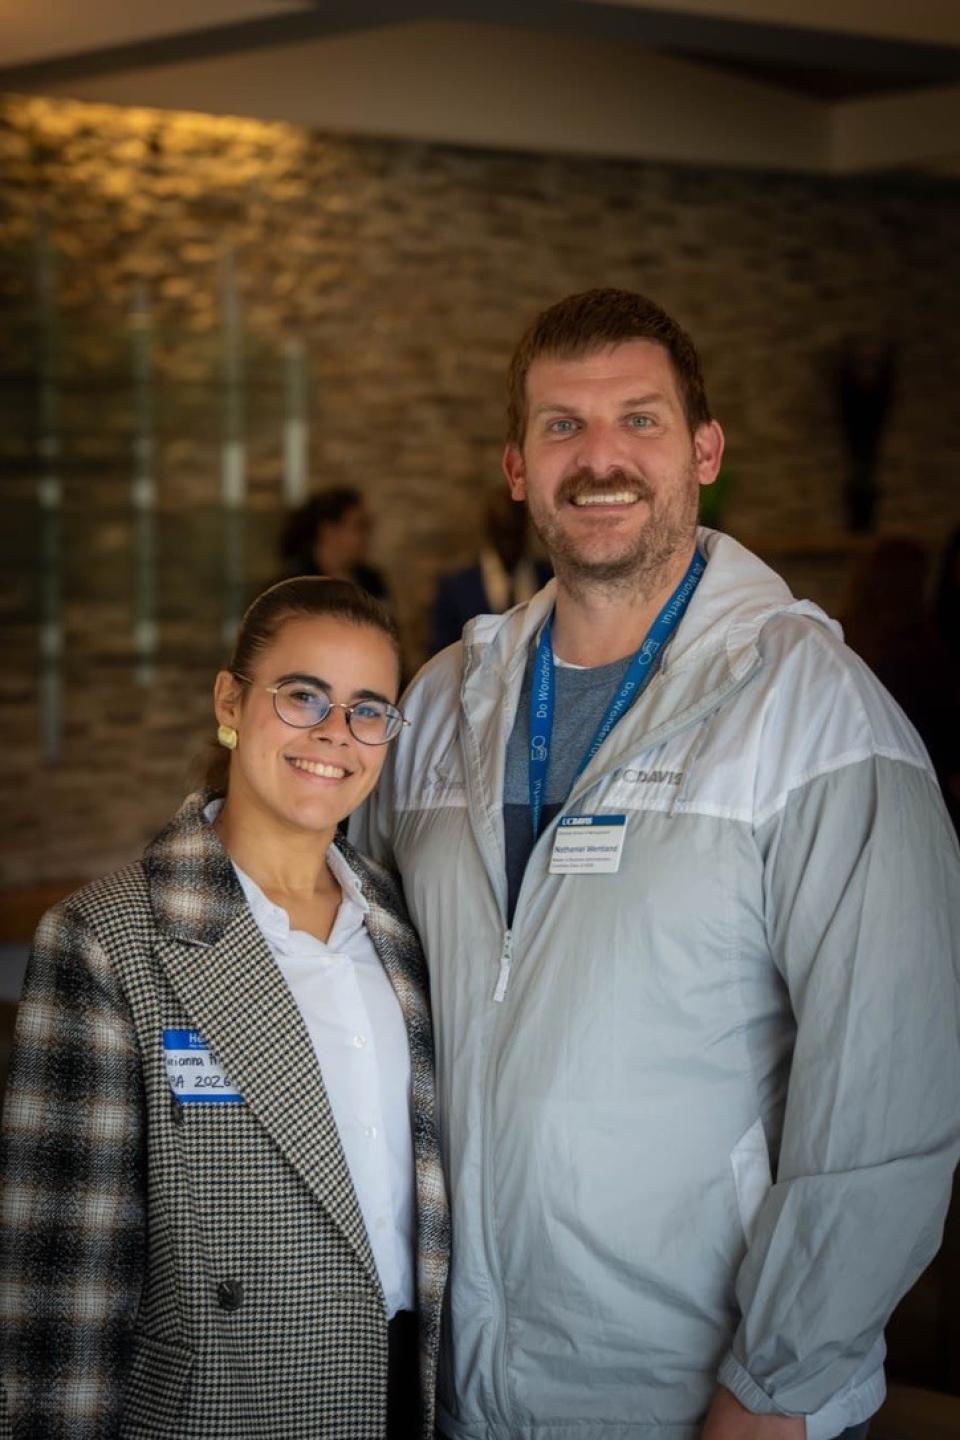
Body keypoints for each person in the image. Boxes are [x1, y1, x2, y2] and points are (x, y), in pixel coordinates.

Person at [354, 289, 960, 1440]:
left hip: (697, 1391)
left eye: (639, 420)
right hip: (454, 1378)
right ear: (518, 468)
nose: (601, 459)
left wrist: (773, 1391)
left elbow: (891, 1104)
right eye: (562, 427)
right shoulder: (440, 704)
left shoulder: (821, 720)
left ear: (705, 452)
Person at [0, 577, 449, 1439]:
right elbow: (60, 1295)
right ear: (231, 701)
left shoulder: (400, 927)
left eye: (368, 710)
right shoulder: (105, 941)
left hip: (404, 1393)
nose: (334, 734)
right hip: (227, 1408)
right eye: (303, 695)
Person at [431, 485, 552, 653]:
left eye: (514, 534)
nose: (509, 544)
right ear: (490, 531)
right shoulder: (456, 588)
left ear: (526, 530)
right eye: (503, 534)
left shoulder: (551, 580)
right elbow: (442, 655)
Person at [279, 487, 390, 602]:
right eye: (358, 526)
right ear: (329, 531)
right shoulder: (295, 583)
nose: (366, 536)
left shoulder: (371, 580)